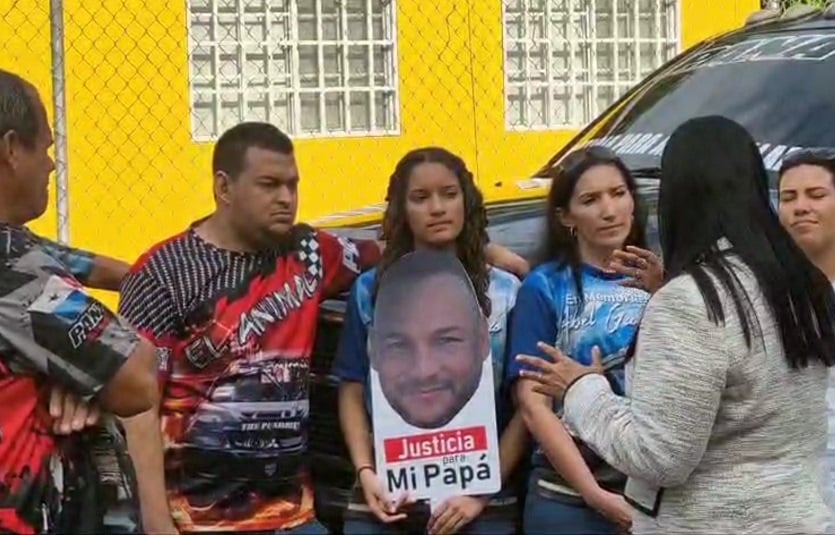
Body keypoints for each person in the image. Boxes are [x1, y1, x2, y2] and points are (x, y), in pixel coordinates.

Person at [116, 129, 529, 535]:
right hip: (195, 518)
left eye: (292, 185)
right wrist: (155, 523)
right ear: (223, 187)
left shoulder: (311, 253)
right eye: (269, 185)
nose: (286, 198)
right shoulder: (161, 272)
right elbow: (135, 405)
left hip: (292, 515)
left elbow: (404, 246)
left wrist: (481, 250)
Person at [519, 116, 835, 534]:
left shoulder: (690, 302)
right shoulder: (802, 283)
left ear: (679, 197)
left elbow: (659, 457)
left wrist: (581, 389)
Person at [334, 147, 528, 535]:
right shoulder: (370, 290)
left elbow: (529, 403)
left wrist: (480, 493)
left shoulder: (508, 291)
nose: (437, 208)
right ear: (402, 210)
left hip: (481, 500)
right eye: (420, 198)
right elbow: (352, 386)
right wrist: (366, 471)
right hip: (389, 494)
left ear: (467, 201)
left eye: (449, 194)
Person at [0, 69, 159, 534]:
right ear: (11, 150)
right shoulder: (19, 282)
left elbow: (51, 254)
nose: (51, 166)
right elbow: (136, 376)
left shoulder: (21, 258)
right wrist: (84, 370)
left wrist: (68, 364)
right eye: (46, 149)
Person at [504, 146, 659, 535]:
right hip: (568, 496)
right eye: (590, 200)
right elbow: (532, 405)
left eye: (618, 193)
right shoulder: (545, 287)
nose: (609, 210)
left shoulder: (665, 280)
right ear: (565, 217)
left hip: (657, 491)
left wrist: (666, 291)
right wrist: (594, 495)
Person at [370, 249, 490, 430]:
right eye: (399, 346)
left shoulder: (507, 289)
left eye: (446, 341)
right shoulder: (366, 289)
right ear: (372, 350)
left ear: (483, 340)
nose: (424, 371)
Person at [776, 148, 835, 512]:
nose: (800, 207)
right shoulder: (762, 293)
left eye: (816, 196)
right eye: (788, 198)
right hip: (792, 491)